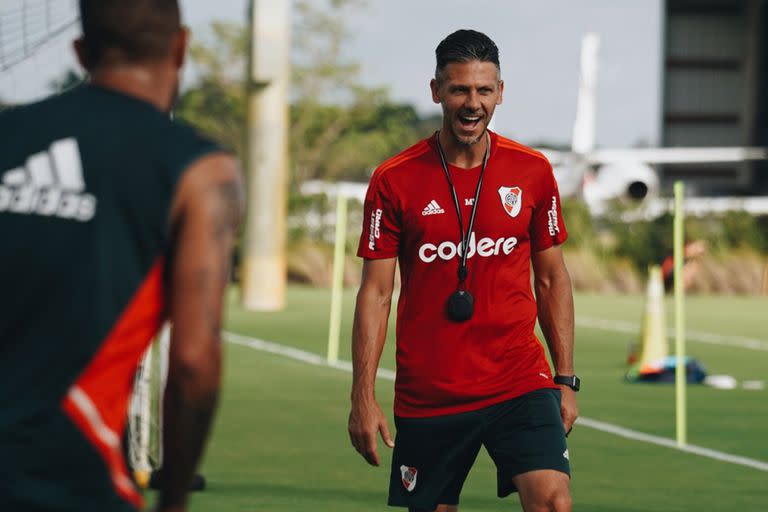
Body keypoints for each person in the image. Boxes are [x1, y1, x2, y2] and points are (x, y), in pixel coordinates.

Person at [0, 1, 243, 511]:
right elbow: (194, 365)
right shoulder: (201, 171)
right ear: (180, 47)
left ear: (81, 51)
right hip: (75, 480)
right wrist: (172, 499)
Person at [348, 29, 579, 512]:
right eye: (459, 90)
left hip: (519, 379)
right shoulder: (395, 179)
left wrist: (565, 378)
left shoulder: (532, 170)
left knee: (553, 502)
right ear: (436, 91)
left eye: (483, 90)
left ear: (500, 93)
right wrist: (362, 396)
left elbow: (552, 279)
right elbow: (375, 294)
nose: (472, 103)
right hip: (432, 392)